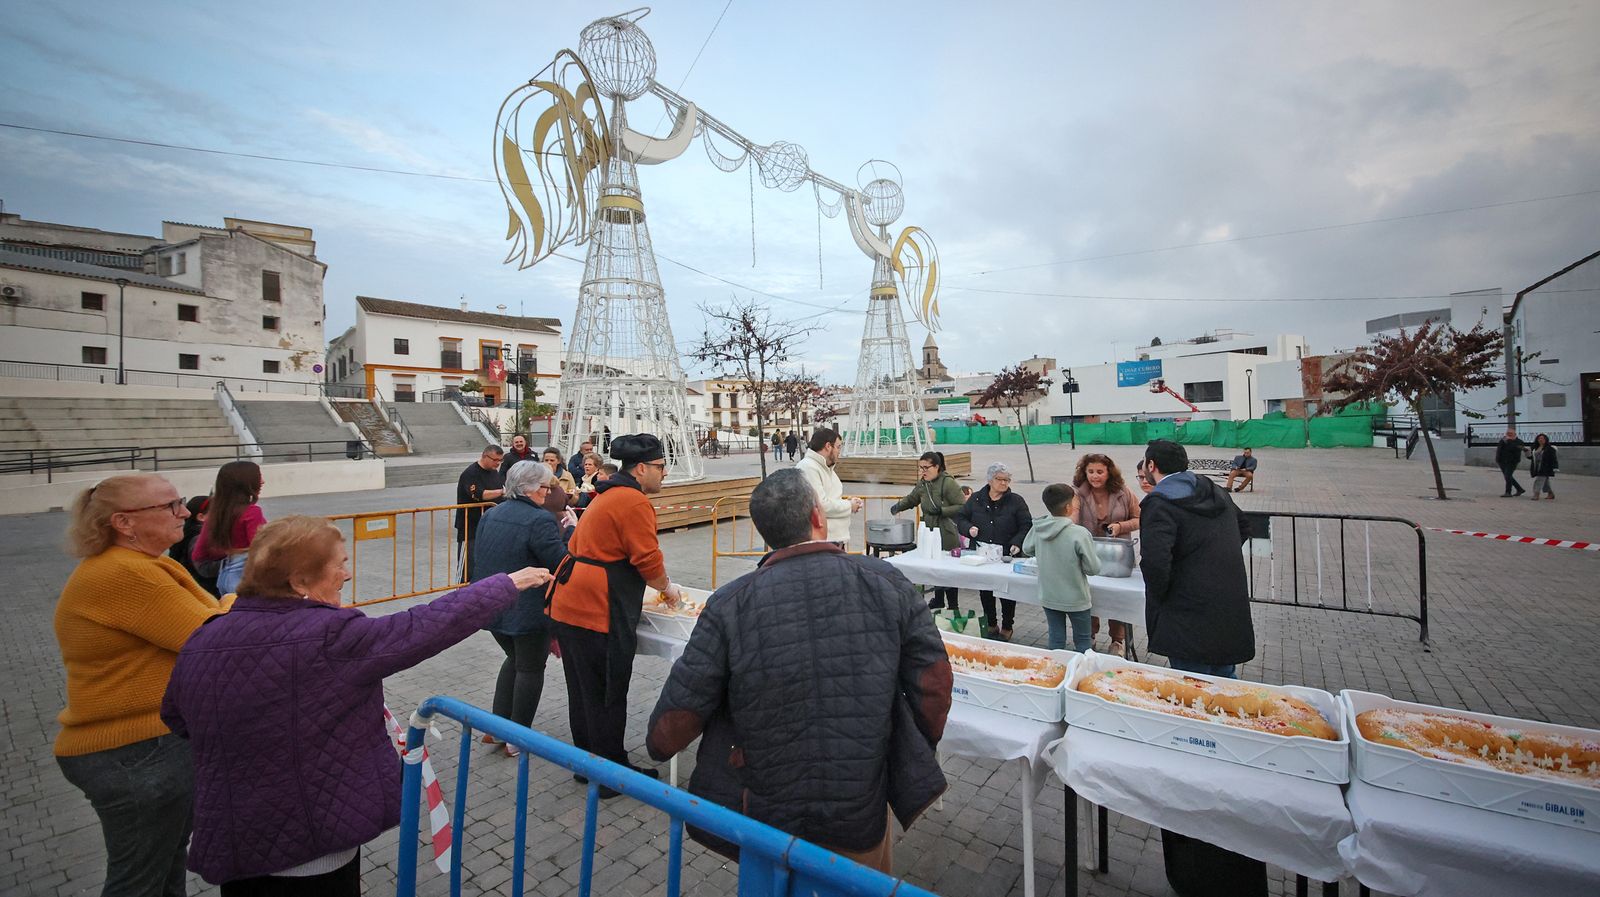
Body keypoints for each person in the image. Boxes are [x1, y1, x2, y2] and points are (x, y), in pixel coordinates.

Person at [161, 516, 550, 894]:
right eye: (340, 565)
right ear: (299, 581)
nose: (347, 575)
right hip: (313, 845)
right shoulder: (330, 636)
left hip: (237, 842)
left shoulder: (205, 636)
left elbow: (176, 716)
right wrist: (508, 584)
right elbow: (422, 626)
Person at [646, 470, 951, 873]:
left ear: (764, 532)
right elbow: (935, 683)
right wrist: (910, 746)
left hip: (767, 815)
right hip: (859, 804)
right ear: (817, 517)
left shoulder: (730, 604)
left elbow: (675, 720)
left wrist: (661, 744)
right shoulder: (886, 583)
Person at [54, 474, 229, 897]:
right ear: (124, 523)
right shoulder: (126, 574)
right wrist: (259, 594)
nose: (185, 513)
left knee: (164, 867)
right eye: (169, 506)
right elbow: (216, 639)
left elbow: (212, 620)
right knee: (139, 881)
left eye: (180, 502)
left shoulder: (148, 563)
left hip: (146, 749)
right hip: (136, 754)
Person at [547, 434, 683, 794]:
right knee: (606, 690)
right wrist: (667, 588)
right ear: (641, 468)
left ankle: (588, 763)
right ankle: (610, 773)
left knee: (583, 689)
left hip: (570, 599)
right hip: (595, 605)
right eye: (659, 466)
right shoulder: (633, 501)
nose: (664, 472)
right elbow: (647, 559)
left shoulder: (610, 494)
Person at [469, 462, 568, 757]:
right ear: (530, 488)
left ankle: (498, 727)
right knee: (529, 668)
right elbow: (560, 562)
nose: (547, 492)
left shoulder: (493, 513)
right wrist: (571, 533)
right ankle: (518, 736)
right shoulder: (539, 520)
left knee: (514, 660)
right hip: (527, 610)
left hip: (492, 605)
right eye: (545, 487)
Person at [1139, 440, 1254, 678]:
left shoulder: (1160, 503)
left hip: (1187, 610)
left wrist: (1165, 595)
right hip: (1227, 601)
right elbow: (1243, 526)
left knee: (1193, 689)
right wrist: (1213, 559)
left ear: (1151, 465)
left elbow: (1155, 563)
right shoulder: (1212, 489)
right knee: (1225, 685)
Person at [1072, 453, 1142, 657]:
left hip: (1118, 555)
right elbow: (1071, 521)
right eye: (1091, 472)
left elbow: (1140, 518)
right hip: (1088, 553)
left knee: (1117, 598)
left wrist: (1121, 526)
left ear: (1109, 473)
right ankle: (1089, 636)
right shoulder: (1077, 494)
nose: (1095, 476)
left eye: (1100, 472)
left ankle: (1117, 641)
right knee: (1089, 595)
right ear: (1084, 473)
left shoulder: (1123, 492)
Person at [956, 462, 1032, 641]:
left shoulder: (1016, 501)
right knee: (986, 589)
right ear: (990, 480)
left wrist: (1017, 543)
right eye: (1000, 479)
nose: (1004, 483)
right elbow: (960, 518)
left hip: (1007, 554)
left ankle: (1007, 625)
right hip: (983, 554)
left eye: (1007, 480)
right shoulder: (976, 499)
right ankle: (991, 623)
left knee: (1006, 591)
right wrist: (969, 529)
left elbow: (1026, 525)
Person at [1022, 484, 1102, 651]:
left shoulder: (1039, 527)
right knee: (1082, 640)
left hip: (1049, 594)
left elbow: (1027, 549)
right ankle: (1081, 673)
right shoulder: (1079, 533)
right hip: (1076, 597)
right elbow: (1093, 568)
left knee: (1056, 638)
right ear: (1068, 507)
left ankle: (1057, 671)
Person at [892, 451, 966, 613]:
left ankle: (953, 606)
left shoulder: (948, 483)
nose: (923, 471)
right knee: (933, 569)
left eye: (926, 467)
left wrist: (942, 510)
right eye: (920, 468)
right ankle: (938, 601)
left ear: (937, 467)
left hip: (946, 532)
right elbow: (912, 498)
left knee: (947, 571)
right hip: (928, 532)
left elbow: (962, 506)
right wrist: (898, 506)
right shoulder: (923, 484)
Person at [192, 460, 266, 596]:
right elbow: (259, 550)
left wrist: (231, 551)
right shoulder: (252, 512)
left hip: (224, 575)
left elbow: (199, 554)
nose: (262, 481)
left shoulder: (216, 514)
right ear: (245, 482)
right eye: (258, 476)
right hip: (243, 575)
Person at [795, 427, 863, 547]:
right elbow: (821, 505)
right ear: (828, 446)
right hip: (823, 541)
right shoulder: (809, 467)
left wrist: (848, 502)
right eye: (838, 447)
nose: (839, 451)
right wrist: (849, 505)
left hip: (833, 539)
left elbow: (831, 498)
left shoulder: (824, 467)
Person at [455, 444, 506, 580]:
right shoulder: (470, 473)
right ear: (485, 456)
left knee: (486, 565)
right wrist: (502, 492)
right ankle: (462, 594)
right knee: (468, 566)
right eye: (495, 460)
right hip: (470, 525)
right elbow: (478, 494)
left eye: (500, 460)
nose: (498, 463)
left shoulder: (494, 472)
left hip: (490, 525)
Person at [170, 495, 219, 596]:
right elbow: (204, 569)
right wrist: (233, 561)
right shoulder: (197, 538)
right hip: (205, 592)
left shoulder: (190, 534)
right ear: (201, 517)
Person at [1495, 428, 1528, 497]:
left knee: (1508, 476)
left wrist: (1509, 440)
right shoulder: (1503, 440)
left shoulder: (1519, 441)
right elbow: (1499, 450)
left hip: (1512, 461)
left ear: (1515, 434)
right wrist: (1497, 459)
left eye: (1511, 433)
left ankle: (1508, 492)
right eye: (1508, 433)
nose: (1509, 434)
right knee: (1508, 477)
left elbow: (1513, 448)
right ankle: (1519, 489)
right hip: (1502, 461)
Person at [1528, 433, 1559, 501]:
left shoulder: (1550, 448)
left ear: (1546, 440)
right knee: (1545, 482)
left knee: (1539, 480)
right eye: (1539, 438)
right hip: (1537, 467)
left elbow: (1554, 458)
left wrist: (1555, 467)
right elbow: (1530, 457)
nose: (1541, 440)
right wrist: (1526, 452)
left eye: (1542, 438)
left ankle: (1536, 494)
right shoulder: (1534, 448)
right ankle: (1550, 493)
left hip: (1545, 467)